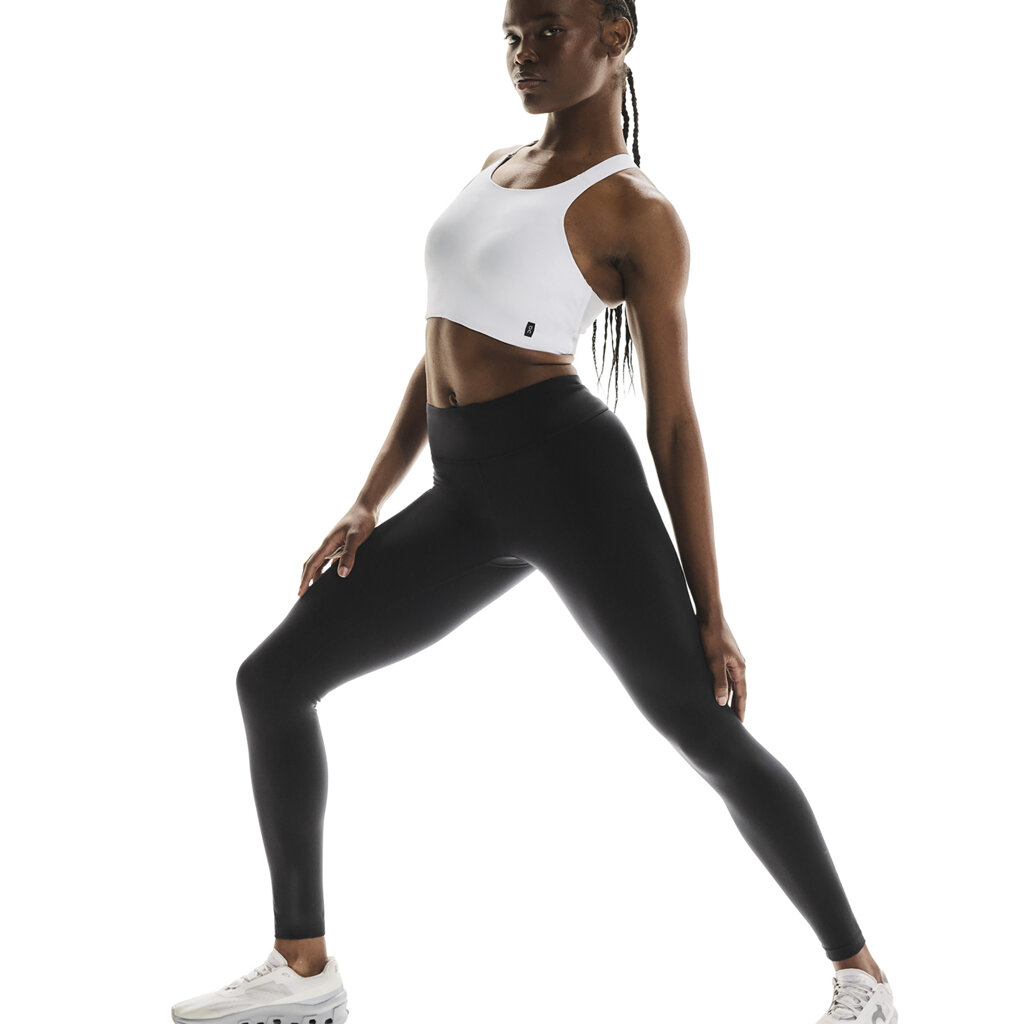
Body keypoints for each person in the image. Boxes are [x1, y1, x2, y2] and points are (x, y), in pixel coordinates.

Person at [170, 3, 899, 1023]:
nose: (523, 54)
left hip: (568, 479)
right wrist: (369, 497)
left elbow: (674, 423)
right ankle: (304, 972)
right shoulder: (494, 166)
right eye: (512, 36)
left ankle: (861, 976)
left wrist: (713, 609)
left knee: (700, 727)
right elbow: (439, 348)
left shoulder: (634, 210)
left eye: (548, 32)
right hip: (467, 490)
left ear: (615, 36)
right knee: (274, 680)